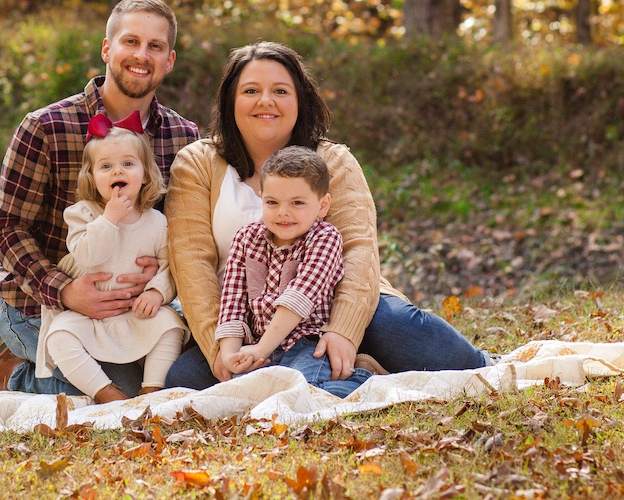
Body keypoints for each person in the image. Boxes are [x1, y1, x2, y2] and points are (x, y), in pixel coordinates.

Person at [164, 41, 490, 390]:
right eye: (251, 90)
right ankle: (351, 375)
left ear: (299, 100)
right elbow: (192, 263)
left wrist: (343, 332)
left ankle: (360, 363)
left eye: (280, 91)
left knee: (410, 337)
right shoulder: (197, 163)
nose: (266, 101)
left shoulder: (333, 161)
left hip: (332, 306)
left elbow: (358, 249)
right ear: (231, 101)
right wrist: (219, 347)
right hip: (244, 322)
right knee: (184, 379)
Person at [0, 0, 199, 396]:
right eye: (131, 42)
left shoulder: (184, 138)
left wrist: (160, 282)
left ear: (169, 60)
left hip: (136, 305)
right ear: (107, 48)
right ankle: (13, 374)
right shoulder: (45, 126)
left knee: (178, 375)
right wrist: (64, 290)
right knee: (106, 390)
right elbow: (6, 230)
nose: (141, 55)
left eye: (155, 46)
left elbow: (186, 234)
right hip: (42, 302)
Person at [37, 115, 189, 404]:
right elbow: (88, 256)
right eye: (106, 166)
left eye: (128, 164)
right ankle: (106, 393)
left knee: (171, 325)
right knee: (58, 337)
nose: (117, 171)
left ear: (145, 174)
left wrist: (157, 292)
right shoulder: (83, 214)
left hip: (135, 312)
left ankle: (152, 390)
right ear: (92, 178)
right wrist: (110, 219)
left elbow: (171, 265)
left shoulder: (156, 222)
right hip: (87, 315)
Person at [216, 146, 373, 398]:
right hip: (259, 347)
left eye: (297, 203)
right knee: (239, 397)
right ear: (261, 197)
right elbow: (232, 303)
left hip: (305, 343)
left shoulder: (324, 238)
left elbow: (298, 301)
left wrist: (260, 350)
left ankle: (364, 380)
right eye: (272, 202)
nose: (283, 212)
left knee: (304, 393)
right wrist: (230, 355)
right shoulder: (246, 239)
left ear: (322, 205)